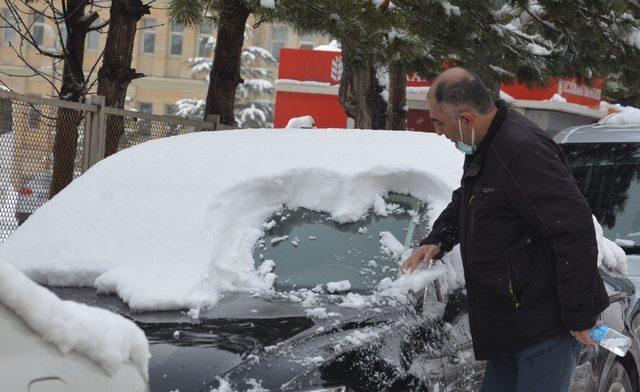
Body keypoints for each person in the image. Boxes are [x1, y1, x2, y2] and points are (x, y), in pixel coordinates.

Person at [402, 67, 609, 392]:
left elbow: (574, 229)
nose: (438, 132)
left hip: (544, 329)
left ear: (466, 119)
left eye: (439, 122)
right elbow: (468, 199)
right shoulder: (488, 145)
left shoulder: (521, 150)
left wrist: (580, 314)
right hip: (511, 328)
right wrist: (439, 238)